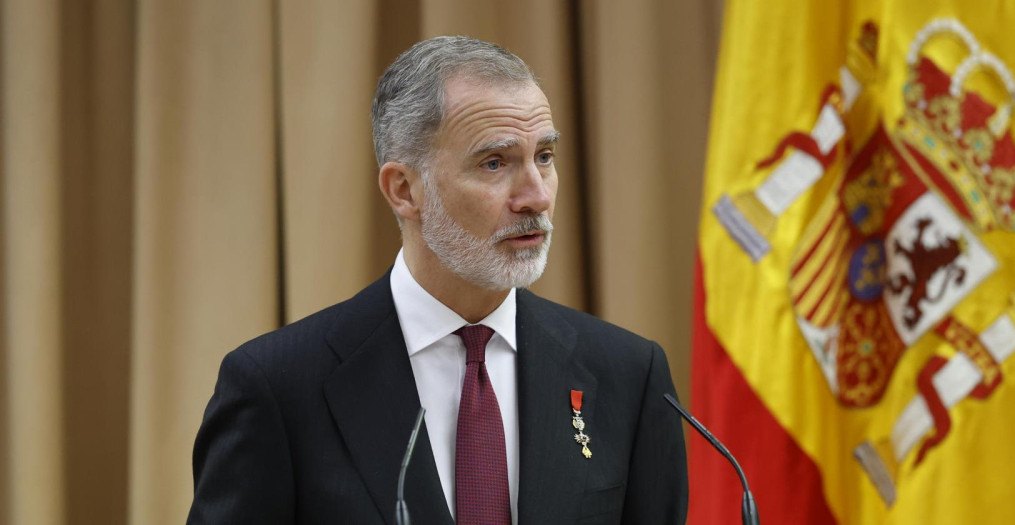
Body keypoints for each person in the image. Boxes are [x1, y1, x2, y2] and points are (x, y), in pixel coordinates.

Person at [187, 36, 687, 524]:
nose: (536, 196)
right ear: (404, 189)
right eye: (495, 163)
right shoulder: (279, 386)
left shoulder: (629, 374)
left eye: (545, 157)